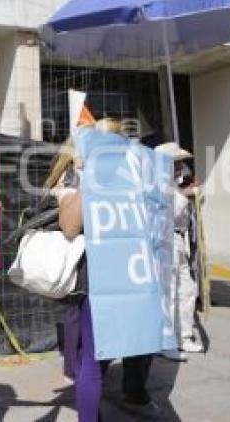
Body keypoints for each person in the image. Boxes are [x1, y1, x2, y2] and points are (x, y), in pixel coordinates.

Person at [54, 118, 162, 421]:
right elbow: (70, 227)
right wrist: (88, 178)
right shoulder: (75, 178)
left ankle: (134, 393)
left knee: (134, 344)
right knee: (94, 355)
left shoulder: (135, 174)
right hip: (99, 281)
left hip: (136, 274)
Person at [156, 142, 204, 361]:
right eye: (176, 162)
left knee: (187, 289)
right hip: (166, 241)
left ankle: (184, 336)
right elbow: (169, 212)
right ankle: (166, 341)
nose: (181, 166)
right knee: (169, 292)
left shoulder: (174, 184)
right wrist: (187, 195)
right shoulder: (157, 186)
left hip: (180, 241)